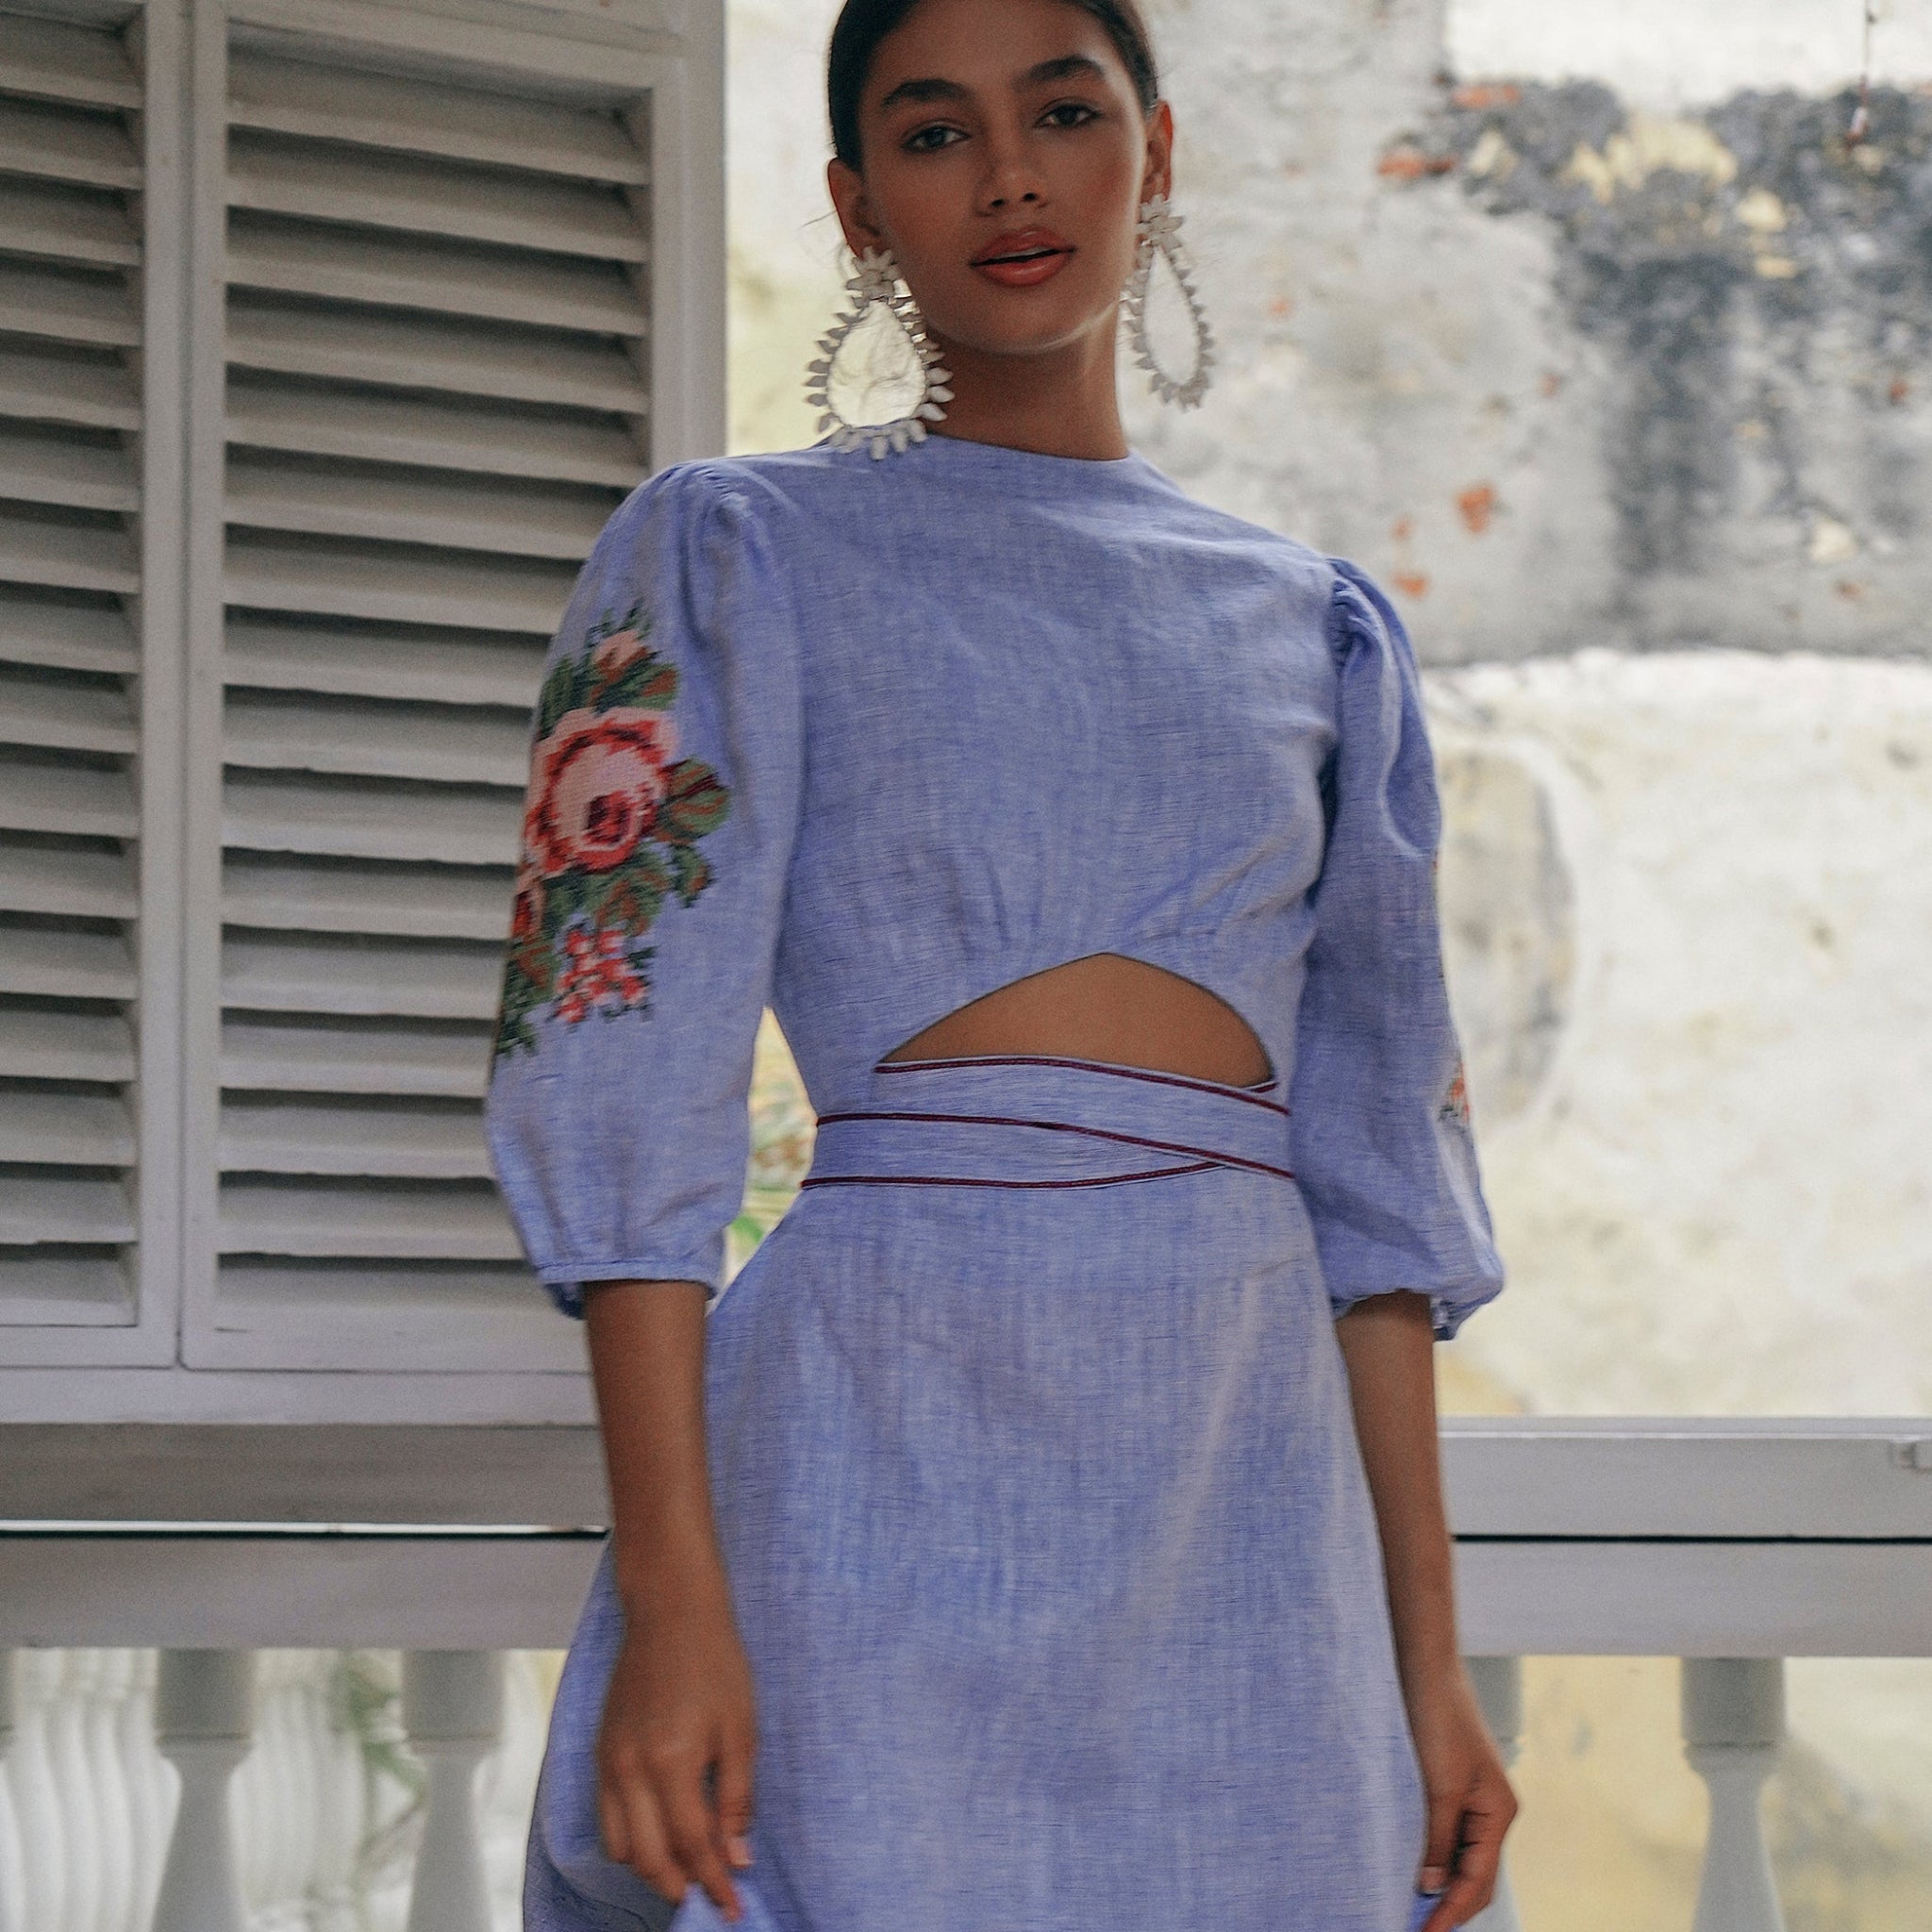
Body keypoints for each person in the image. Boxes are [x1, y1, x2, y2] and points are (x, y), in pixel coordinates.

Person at [484, 0, 1517, 1926]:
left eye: (1063, 111)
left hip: (1246, 1484)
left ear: (1157, 150)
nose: (1014, 176)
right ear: (857, 206)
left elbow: (1380, 1189)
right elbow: (626, 1092)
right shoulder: (737, 549)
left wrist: (1428, 1665)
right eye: (936, 132)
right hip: (868, 1455)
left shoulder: (1316, 625)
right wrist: (681, 1608)